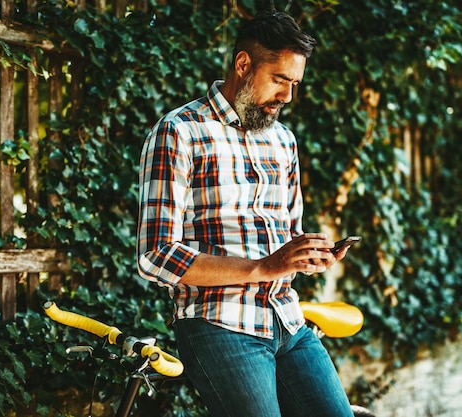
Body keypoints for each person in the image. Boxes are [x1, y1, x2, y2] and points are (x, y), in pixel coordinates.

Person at [137, 10, 354, 417]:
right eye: (278, 80)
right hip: (219, 326)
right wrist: (261, 267)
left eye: (294, 84)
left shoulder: (284, 141)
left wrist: (307, 255)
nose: (287, 96)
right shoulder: (179, 131)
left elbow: (288, 236)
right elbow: (156, 256)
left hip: (288, 321)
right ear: (243, 65)